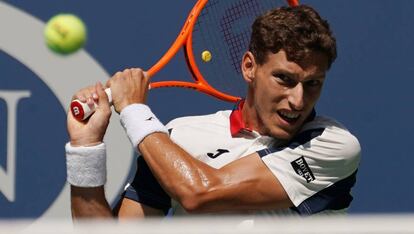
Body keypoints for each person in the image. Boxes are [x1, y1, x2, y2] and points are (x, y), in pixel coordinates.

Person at [65, 5, 360, 219]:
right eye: (284, 79)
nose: (298, 100)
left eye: (312, 84)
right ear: (249, 67)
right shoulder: (179, 137)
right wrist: (85, 147)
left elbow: (200, 193)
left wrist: (133, 110)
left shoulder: (333, 145)